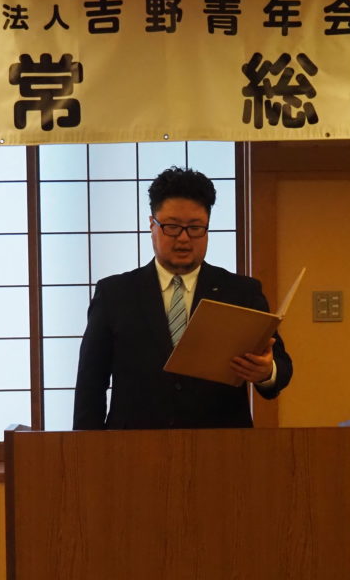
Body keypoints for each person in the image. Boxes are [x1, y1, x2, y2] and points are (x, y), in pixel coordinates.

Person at [72, 166, 293, 430]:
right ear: (152, 224)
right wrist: (85, 449)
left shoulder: (241, 292)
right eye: (172, 227)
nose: (184, 239)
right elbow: (90, 383)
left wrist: (266, 372)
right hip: (133, 445)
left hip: (222, 443)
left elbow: (281, 366)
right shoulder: (114, 293)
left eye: (195, 228)